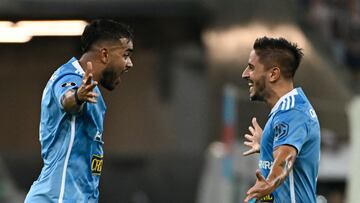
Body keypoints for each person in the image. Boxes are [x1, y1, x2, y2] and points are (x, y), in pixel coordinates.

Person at [25, 19, 134, 202]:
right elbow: (67, 99)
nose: (129, 63)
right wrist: (77, 97)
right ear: (105, 54)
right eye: (125, 55)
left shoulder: (92, 91)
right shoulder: (70, 77)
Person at [241, 37, 320, 203]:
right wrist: (266, 146)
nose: (245, 74)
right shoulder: (286, 111)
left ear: (273, 74)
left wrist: (270, 183)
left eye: (251, 67)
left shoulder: (292, 112)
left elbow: (285, 160)